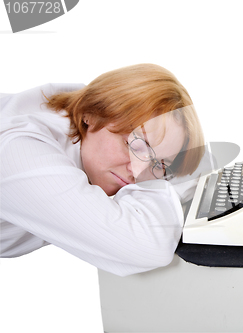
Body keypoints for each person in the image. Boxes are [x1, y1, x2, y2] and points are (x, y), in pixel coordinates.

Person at [0, 64, 205, 276]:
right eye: (134, 146)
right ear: (90, 114)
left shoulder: (95, 116)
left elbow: (194, 172)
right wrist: (169, 188)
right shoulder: (20, 149)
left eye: (160, 164)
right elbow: (146, 246)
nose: (138, 173)